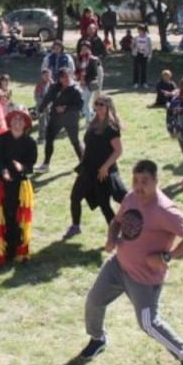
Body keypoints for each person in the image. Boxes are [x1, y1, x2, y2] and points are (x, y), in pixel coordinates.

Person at [78, 159, 183, 365]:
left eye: (145, 181)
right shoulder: (131, 198)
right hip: (118, 266)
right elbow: (117, 222)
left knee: (149, 324)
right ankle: (98, 338)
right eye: (135, 180)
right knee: (94, 301)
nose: (139, 186)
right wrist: (111, 238)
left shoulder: (165, 210)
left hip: (144, 278)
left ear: (156, 181)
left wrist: (166, 257)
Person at [64, 95, 127, 239]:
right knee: (75, 197)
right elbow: (88, 145)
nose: (98, 107)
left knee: (104, 204)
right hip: (87, 168)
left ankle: (116, 234)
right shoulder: (93, 123)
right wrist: (83, 159)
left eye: (101, 104)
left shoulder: (111, 128)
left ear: (108, 107)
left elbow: (118, 151)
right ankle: (75, 226)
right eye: (96, 104)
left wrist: (105, 167)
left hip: (102, 171)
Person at [0, 109, 38, 267]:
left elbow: (31, 165)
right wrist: (3, 171)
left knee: (19, 219)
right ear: (10, 122)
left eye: (21, 119)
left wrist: (22, 167)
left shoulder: (30, 142)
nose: (17, 122)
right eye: (15, 119)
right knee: (3, 217)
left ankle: (20, 252)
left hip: (21, 187)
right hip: (3, 186)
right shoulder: (1, 139)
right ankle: (2, 253)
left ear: (25, 123)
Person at [35, 68, 84, 173]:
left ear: (71, 76)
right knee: (49, 138)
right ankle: (46, 164)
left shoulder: (76, 90)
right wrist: (41, 109)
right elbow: (48, 98)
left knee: (75, 141)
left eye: (67, 76)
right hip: (56, 118)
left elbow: (79, 105)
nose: (65, 79)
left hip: (71, 119)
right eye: (63, 77)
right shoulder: (55, 87)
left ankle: (83, 163)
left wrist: (65, 108)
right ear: (59, 78)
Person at [76, 41, 104, 122]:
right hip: (81, 84)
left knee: (85, 103)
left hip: (89, 84)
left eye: (85, 48)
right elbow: (77, 70)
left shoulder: (93, 60)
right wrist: (79, 77)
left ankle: (89, 121)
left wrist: (85, 78)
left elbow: (94, 74)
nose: (83, 50)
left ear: (89, 49)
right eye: (82, 48)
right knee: (82, 102)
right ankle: (91, 115)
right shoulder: (80, 59)